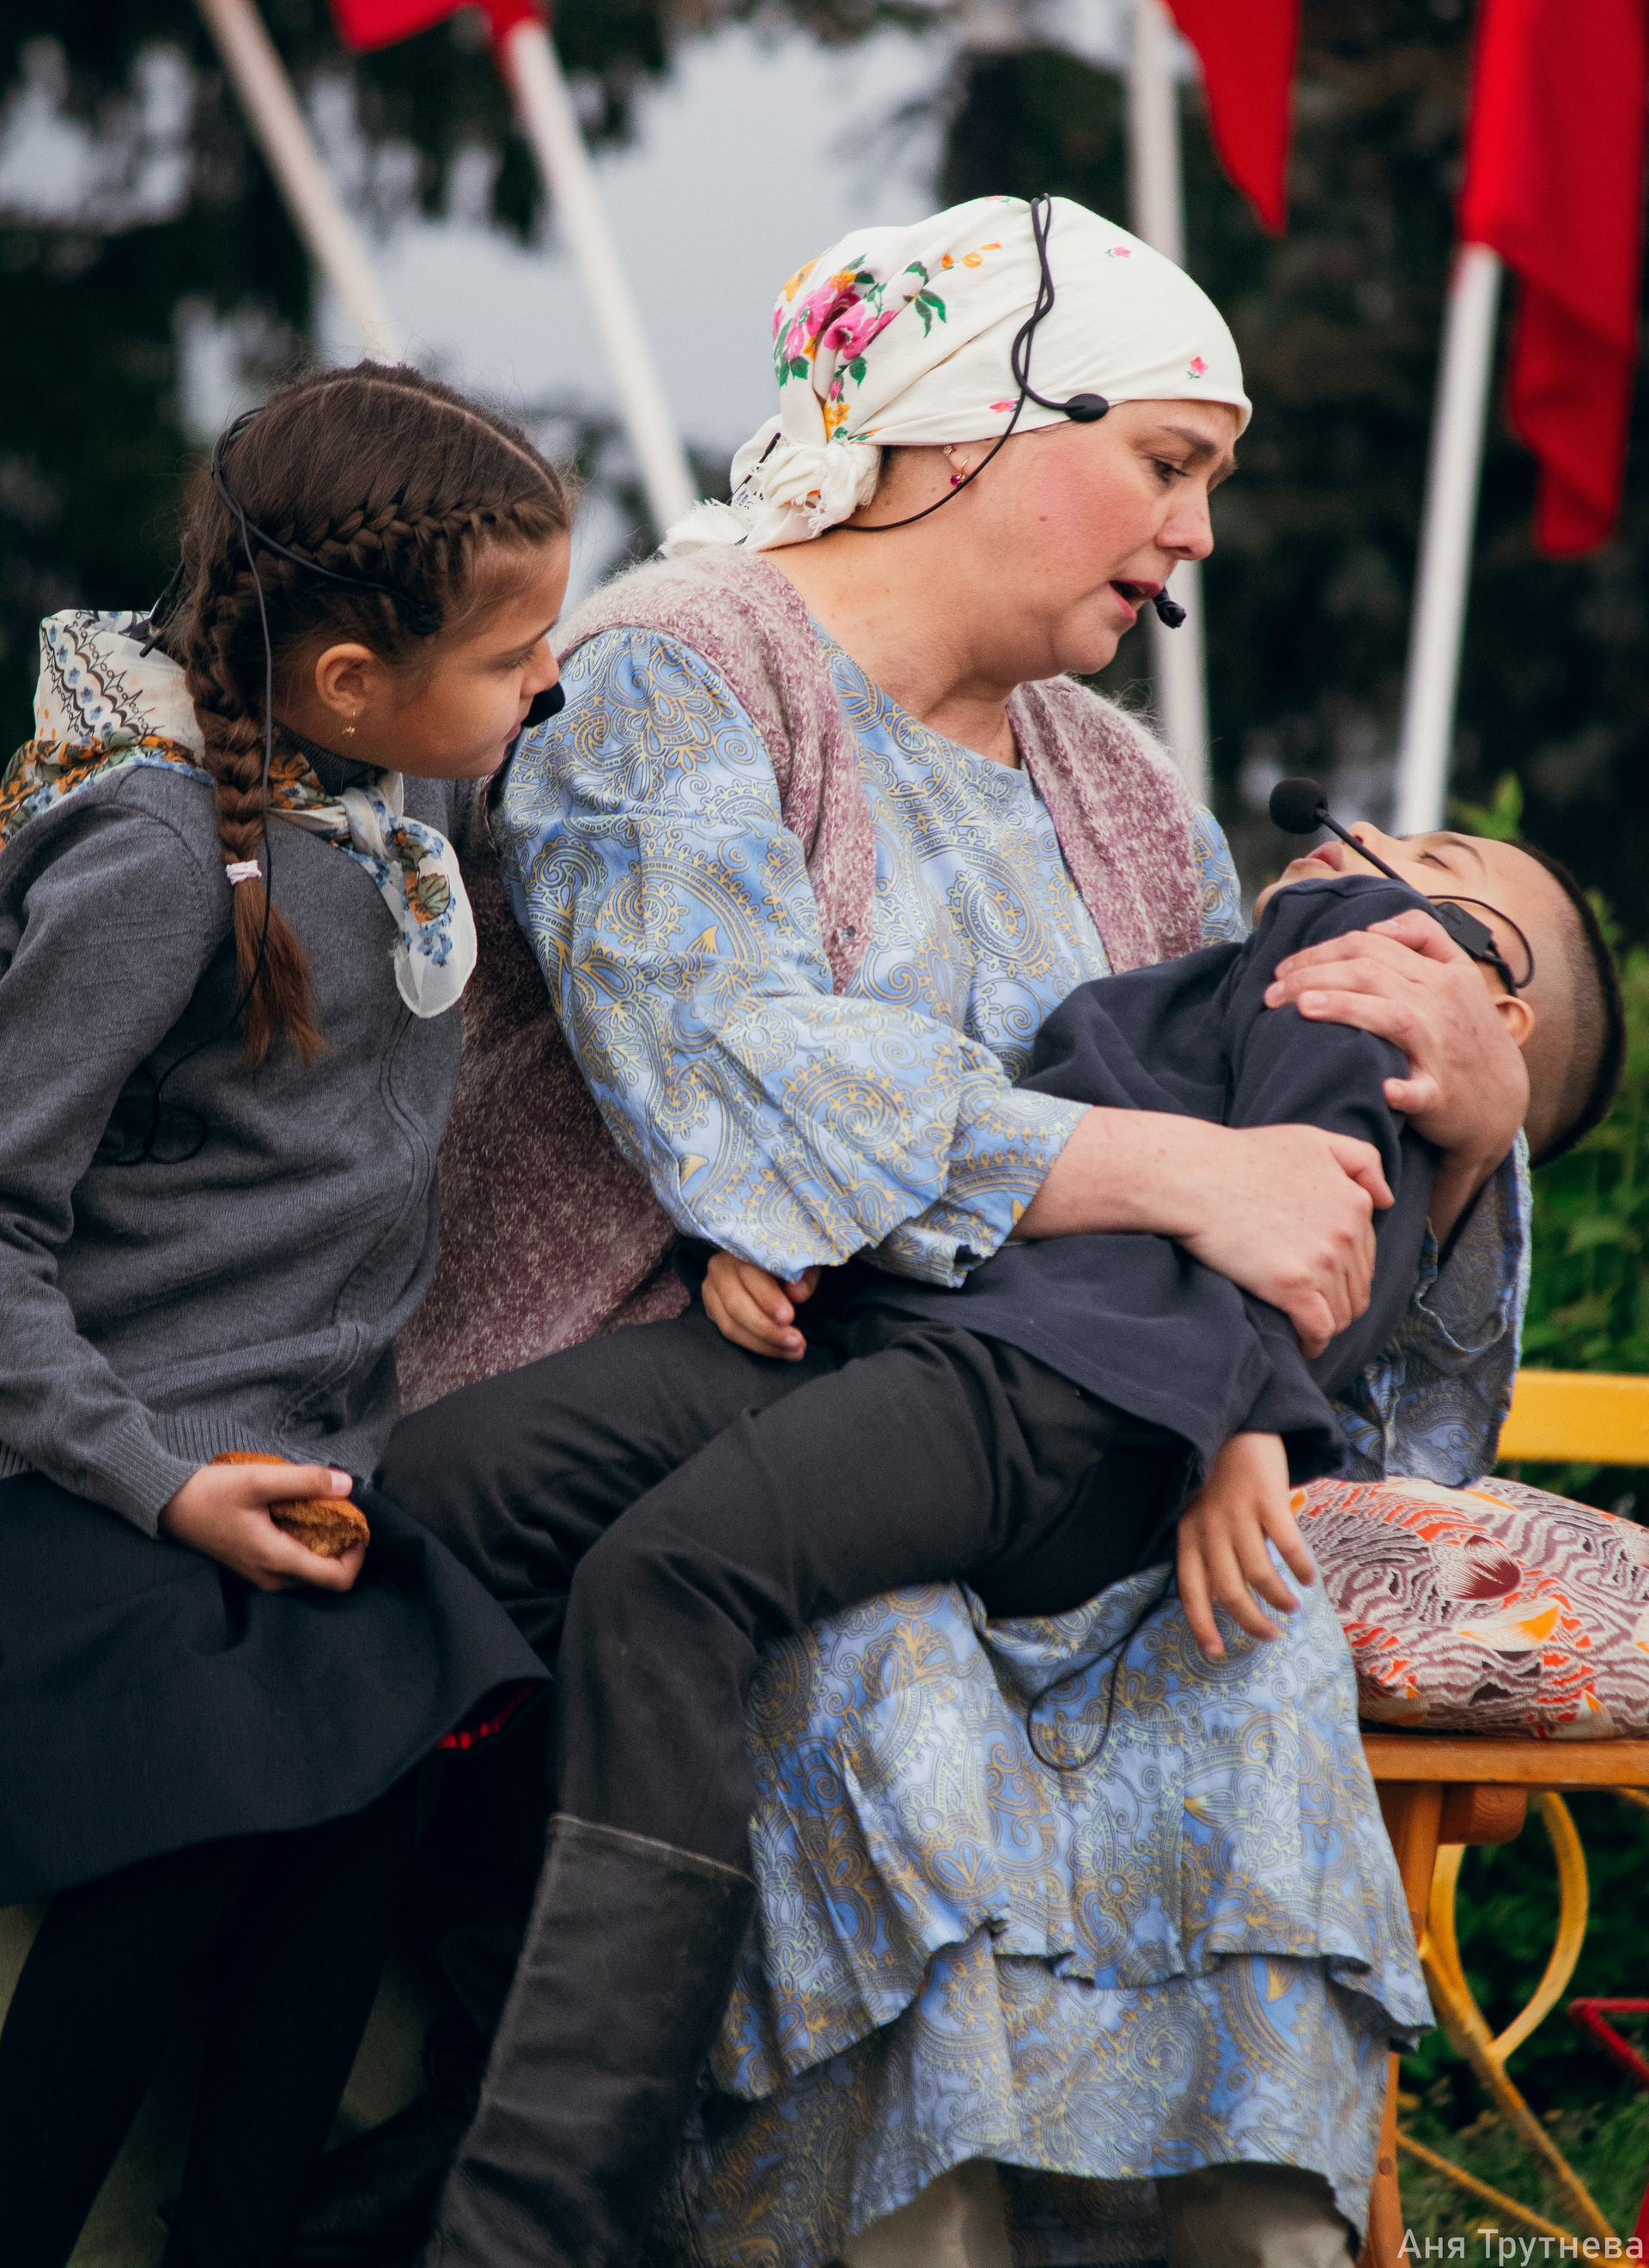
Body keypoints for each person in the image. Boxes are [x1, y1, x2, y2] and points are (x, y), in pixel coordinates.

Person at [326, 196, 1532, 2268]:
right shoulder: (672, 667)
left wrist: (1467, 1141)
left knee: (1243, 1657)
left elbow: (1295, 1231)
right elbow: (740, 1080)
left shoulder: (1125, 788)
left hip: (1043, 1457)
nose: (1197, 534)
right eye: (1166, 463)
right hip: (664, 1437)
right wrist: (1173, 1177)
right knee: (873, 1664)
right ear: (964, 421)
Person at [0, 363, 572, 2268]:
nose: (549, 686)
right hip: (81, 1481)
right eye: (515, 658)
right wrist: (157, 1483)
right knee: (214, 1796)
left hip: (283, 1479)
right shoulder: (153, 860)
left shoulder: (383, 813)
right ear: (347, 680)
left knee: (380, 1763)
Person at [698, 830, 1622, 1669]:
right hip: (905, 1346)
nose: (1369, 835)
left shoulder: (1346, 941)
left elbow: (1322, 1269)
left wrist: (1251, 1414)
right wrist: (813, 1226)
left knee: (681, 1569)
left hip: (1083, 1438)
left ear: (1500, 1018)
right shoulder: (1224, 945)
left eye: (1440, 864)